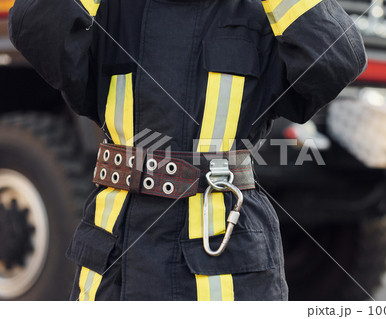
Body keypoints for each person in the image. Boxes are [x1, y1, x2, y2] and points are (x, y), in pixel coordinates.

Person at [9, 0, 366, 301]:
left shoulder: (259, 12)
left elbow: (338, 58)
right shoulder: (111, 9)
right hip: (114, 260)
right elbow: (33, 26)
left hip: (228, 260)